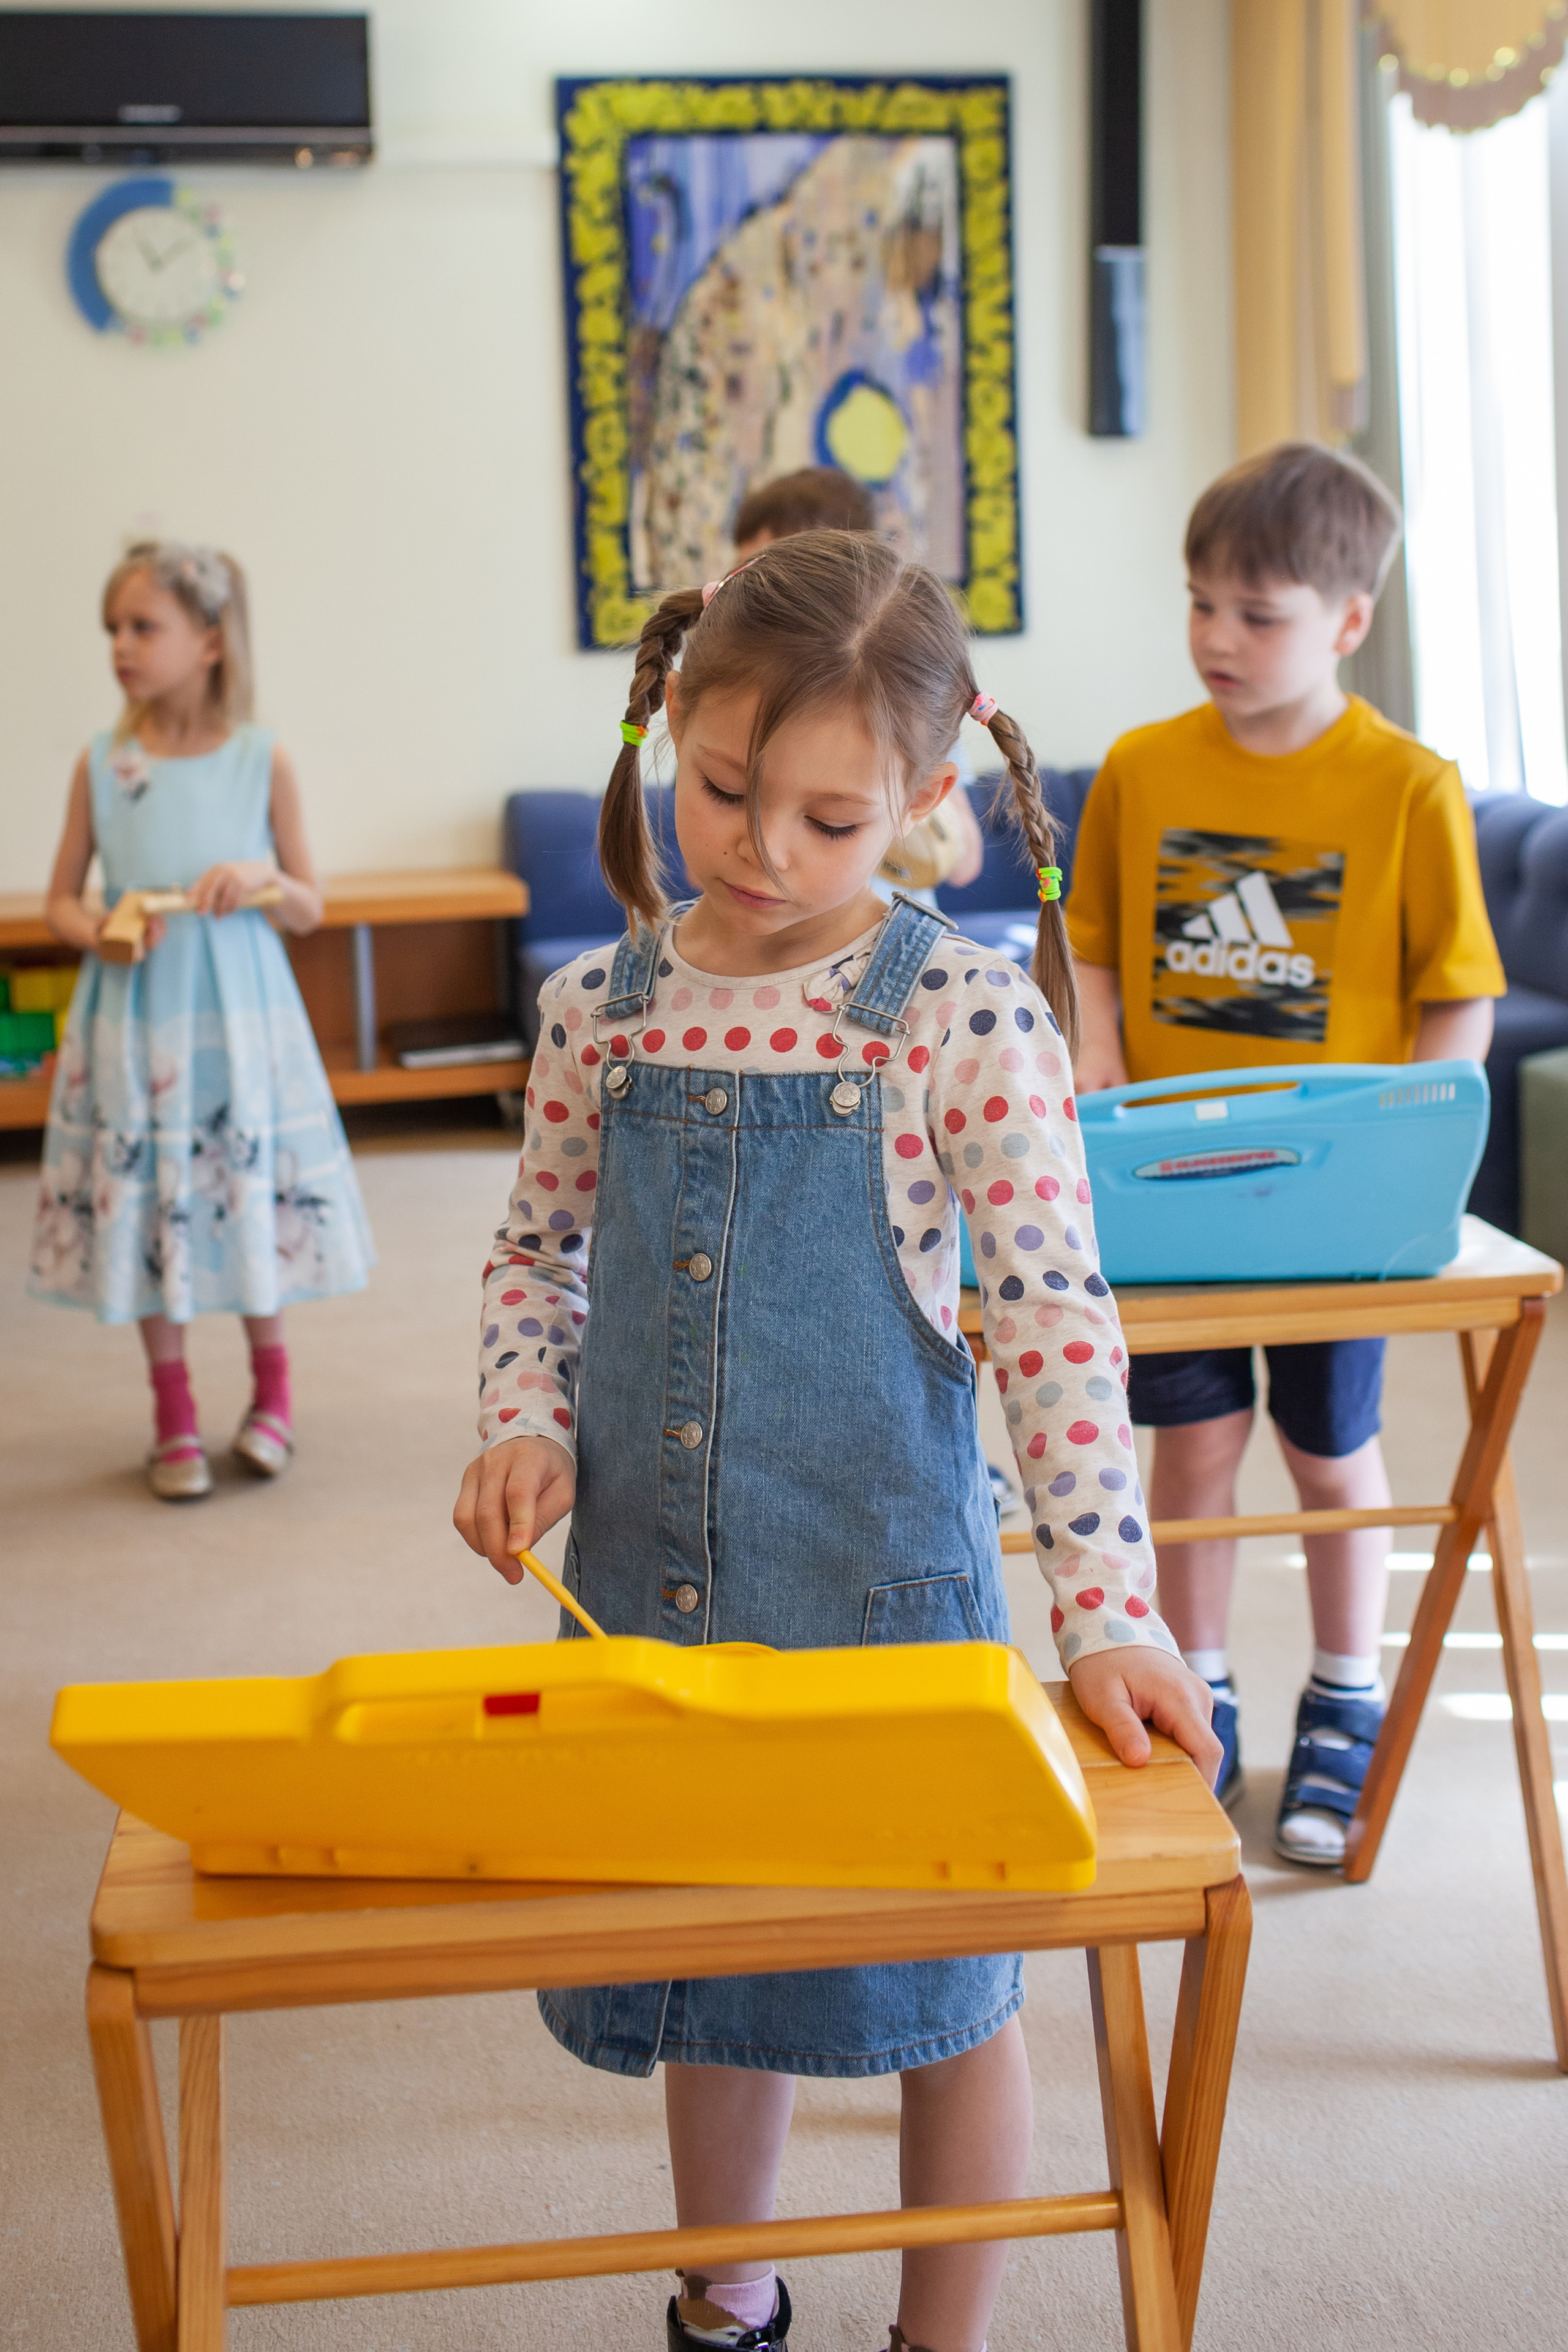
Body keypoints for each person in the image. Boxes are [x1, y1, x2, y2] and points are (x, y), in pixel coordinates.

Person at [455, 531, 1219, 2352]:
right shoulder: (597, 1006)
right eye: (723, 792)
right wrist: (519, 1419)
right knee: (707, 1975)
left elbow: (1048, 1318)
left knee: (939, 1992)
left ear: (924, 800)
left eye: (827, 818)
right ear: (667, 738)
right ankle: (725, 2298)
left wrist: (1106, 1604)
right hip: (648, 1599)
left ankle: (934, 2332)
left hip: (886, 1611)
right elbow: (529, 1257)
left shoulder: (960, 1012)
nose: (764, 851)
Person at [1066, 442, 1506, 1866]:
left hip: (1328, 1210)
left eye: (1255, 613)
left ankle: (1344, 1695)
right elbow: (1084, 948)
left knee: (1330, 1458)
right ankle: (1199, 1691)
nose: (1214, 638)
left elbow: (1458, 988)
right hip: (1169, 1199)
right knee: (1186, 1449)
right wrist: (1095, 1057)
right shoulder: (1137, 768)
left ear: (1345, 620)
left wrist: (1410, 1145)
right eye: (1198, 603)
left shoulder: (1404, 784)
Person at [31, 539, 374, 1499]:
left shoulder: (264, 759)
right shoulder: (104, 763)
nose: (120, 647)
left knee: (242, 1185)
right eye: (113, 629)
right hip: (137, 1017)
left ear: (211, 641)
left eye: (143, 626)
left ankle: (274, 1395)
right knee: (154, 1200)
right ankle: (172, 1414)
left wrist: (265, 878)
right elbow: (59, 900)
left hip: (239, 1017)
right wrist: (96, 931)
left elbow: (310, 903)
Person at [732, 465, 986, 900]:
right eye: (744, 573)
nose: (750, 593)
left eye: (777, 576)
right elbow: (702, 865)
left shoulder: (908, 699)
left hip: (890, 934)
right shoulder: (734, 699)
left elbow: (964, 863)